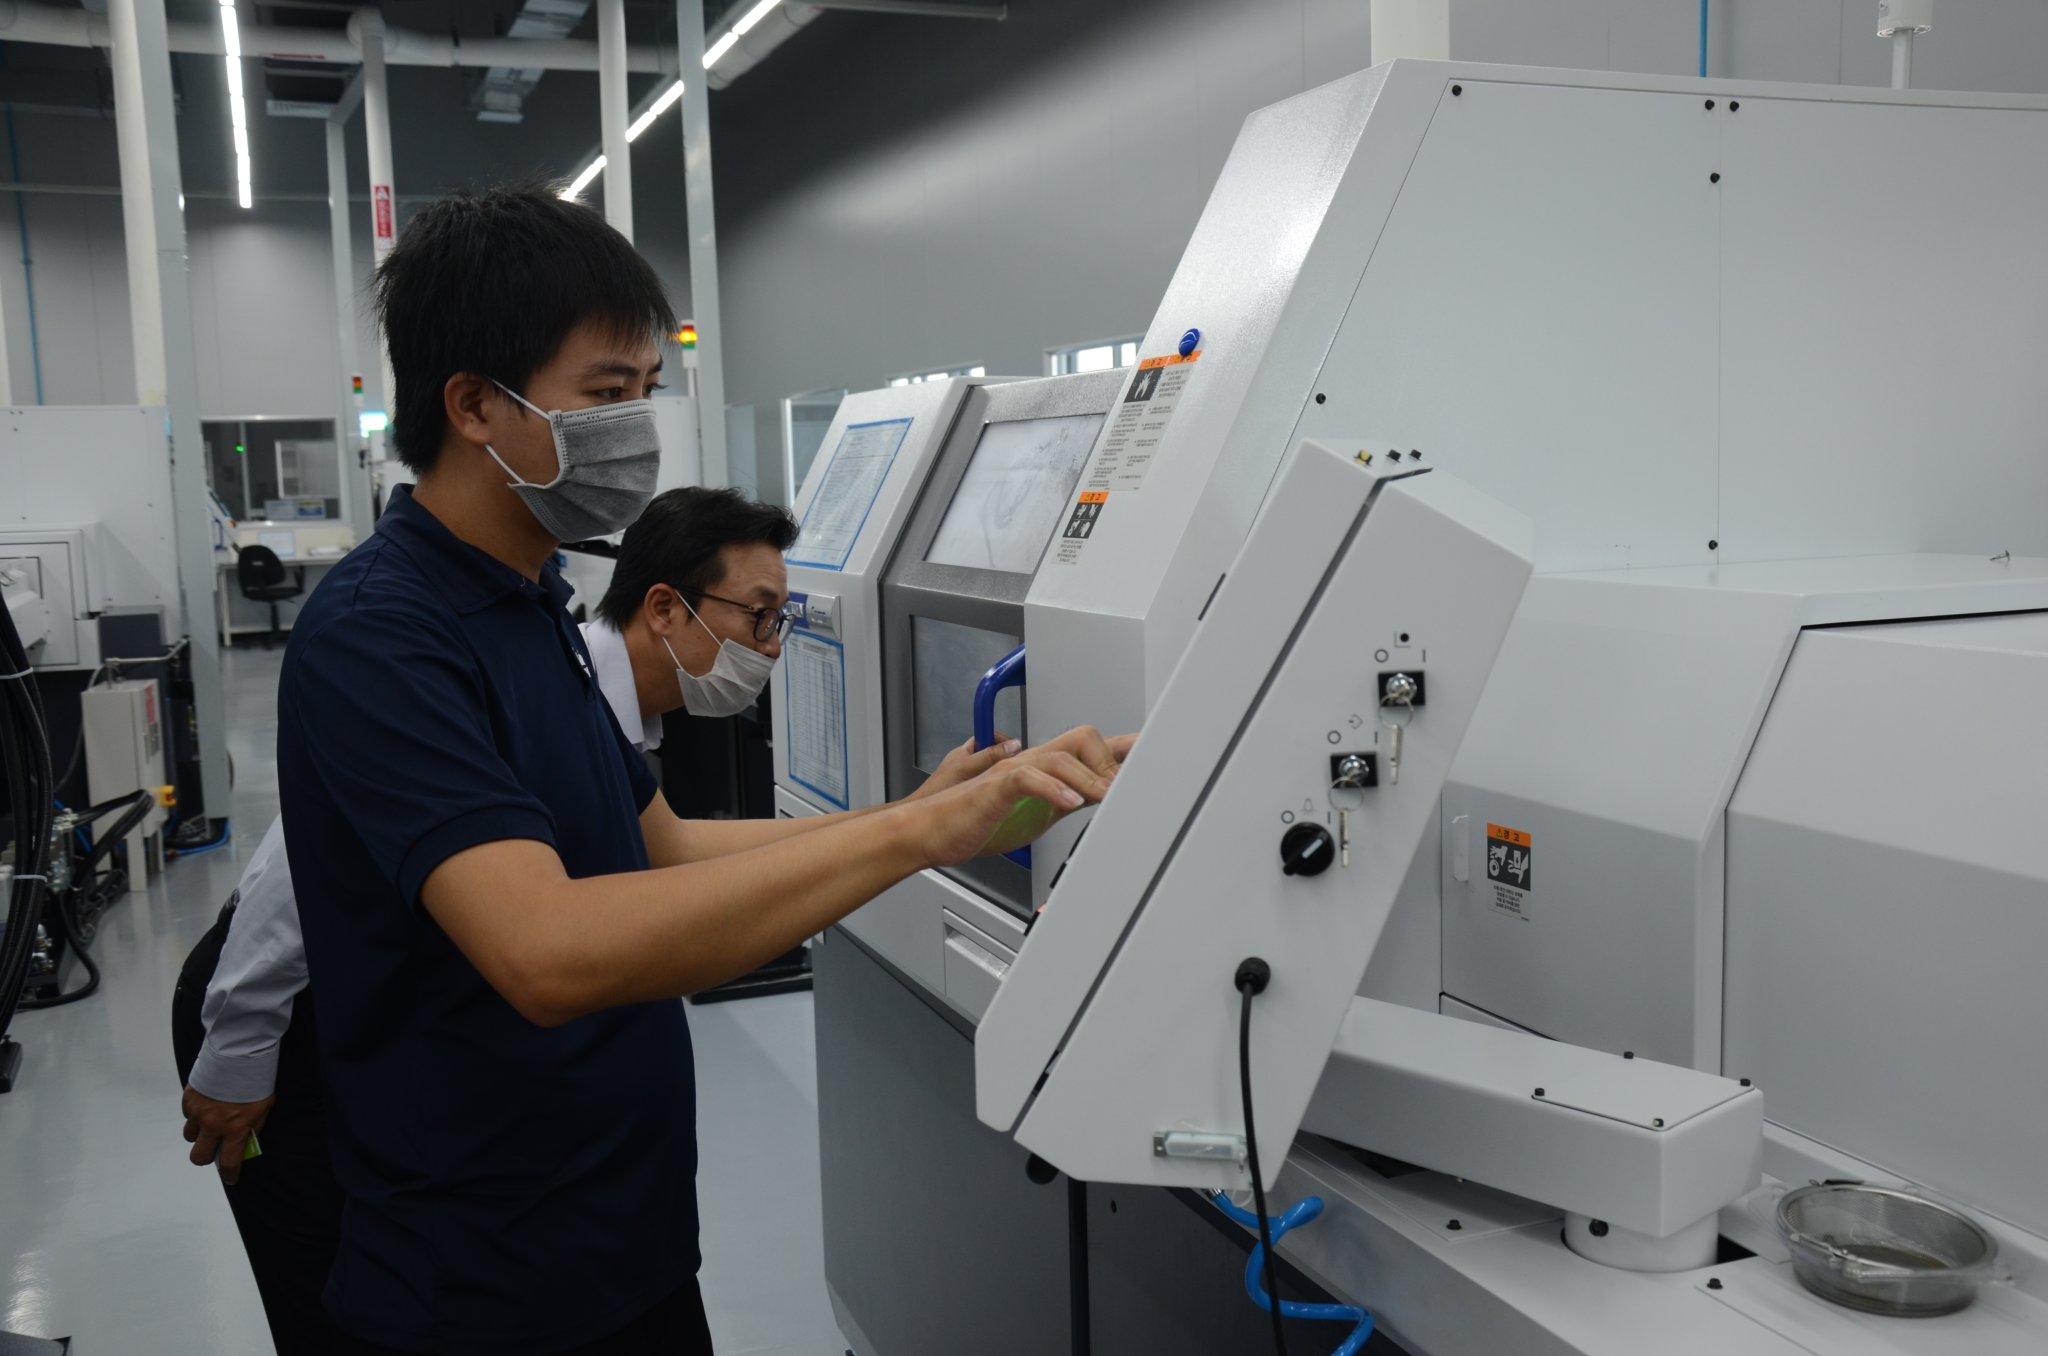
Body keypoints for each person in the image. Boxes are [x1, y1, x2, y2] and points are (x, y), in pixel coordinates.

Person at [273, 184, 1128, 1355]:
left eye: (644, 393)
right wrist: (914, 839)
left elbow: (662, 847)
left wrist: (927, 810)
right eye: (604, 395)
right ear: (474, 403)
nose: (636, 430)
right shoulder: (384, 633)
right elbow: (545, 951)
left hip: (616, 1244)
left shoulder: (532, 603)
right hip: (480, 1286)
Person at [176, 487, 1000, 1352]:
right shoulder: (424, 641)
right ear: (665, 608)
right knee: (327, 1285)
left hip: (421, 1037)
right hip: (278, 1000)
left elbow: (669, 850)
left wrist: (904, 819)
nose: (771, 647)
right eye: (759, 618)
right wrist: (237, 1048)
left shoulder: (576, 666)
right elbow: (292, 885)